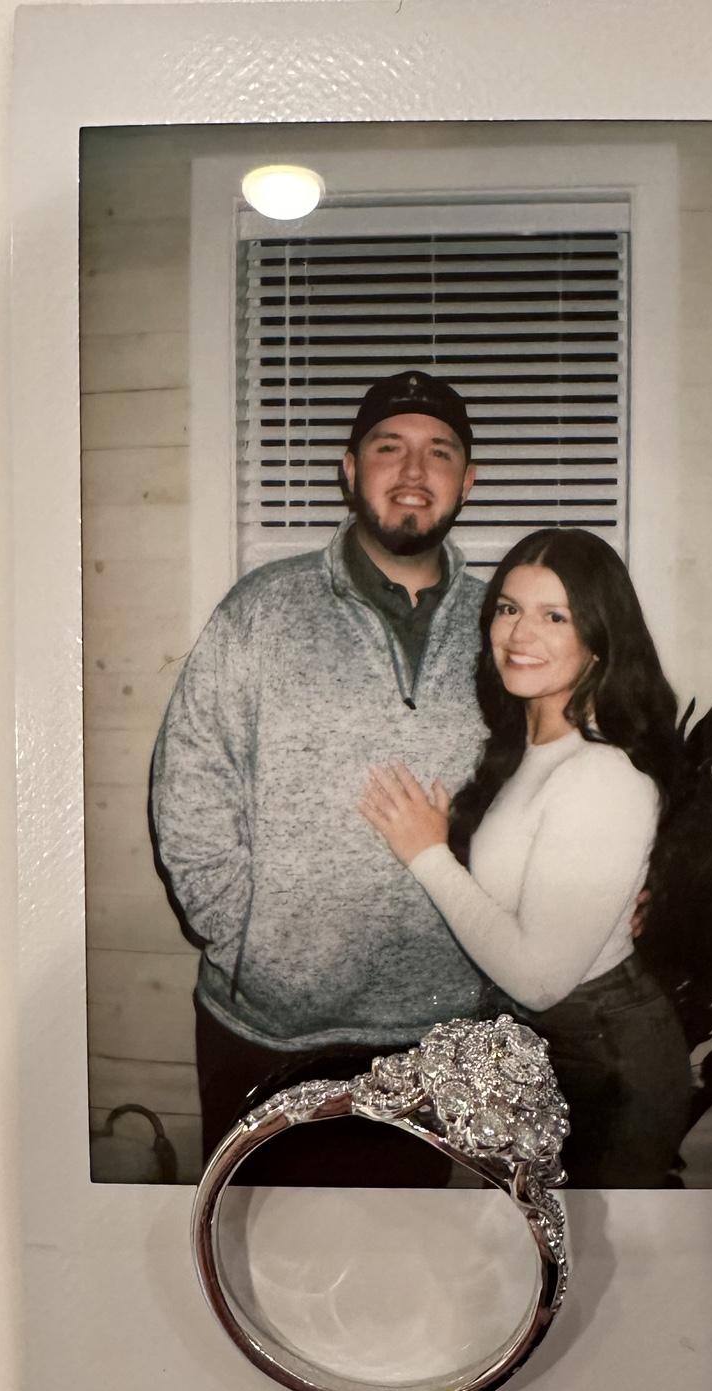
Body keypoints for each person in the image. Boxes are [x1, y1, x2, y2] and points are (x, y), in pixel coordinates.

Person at [150, 370, 494, 1181]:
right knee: (255, 1241)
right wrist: (251, 946)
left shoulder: (507, 628)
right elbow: (189, 787)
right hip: (270, 1035)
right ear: (349, 468)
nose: (414, 472)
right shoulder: (261, 611)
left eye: (440, 452)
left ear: (468, 480)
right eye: (389, 448)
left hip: (442, 1031)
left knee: (413, 1253)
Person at [360, 528, 693, 1187]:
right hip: (557, 1045)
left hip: (608, 1065)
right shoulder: (529, 747)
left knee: (577, 1247)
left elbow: (539, 980)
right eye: (509, 608)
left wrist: (426, 855)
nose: (520, 634)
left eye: (555, 616)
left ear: (599, 638)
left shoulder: (601, 775)